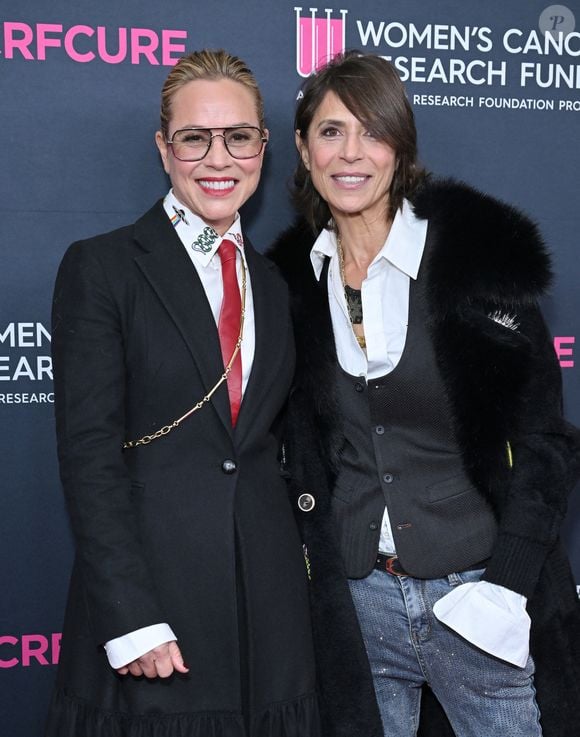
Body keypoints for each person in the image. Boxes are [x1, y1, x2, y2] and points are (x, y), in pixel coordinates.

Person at [269, 51, 580, 737]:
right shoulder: (287, 283)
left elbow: (543, 441)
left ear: (401, 147)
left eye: (372, 132)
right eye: (330, 131)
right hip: (357, 606)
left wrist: (504, 587)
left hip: (475, 595)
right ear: (302, 147)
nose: (352, 153)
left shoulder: (475, 260)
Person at [46, 49, 319, 737]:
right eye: (195, 137)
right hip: (155, 606)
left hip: (271, 616)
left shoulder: (279, 284)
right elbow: (89, 453)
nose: (218, 158)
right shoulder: (103, 267)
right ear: (165, 148)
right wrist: (129, 612)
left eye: (239, 136)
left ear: (264, 145)